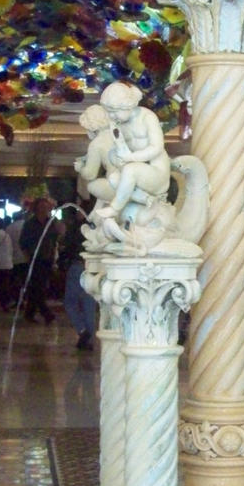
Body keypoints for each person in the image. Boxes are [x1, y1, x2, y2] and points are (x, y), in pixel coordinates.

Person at [93, 81, 171, 220]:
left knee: (130, 171)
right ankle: (146, 199)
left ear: (126, 106)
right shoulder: (118, 124)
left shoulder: (147, 117)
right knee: (113, 178)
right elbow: (118, 151)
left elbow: (157, 147)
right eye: (109, 113)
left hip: (157, 172)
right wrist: (115, 156)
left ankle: (114, 208)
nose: (112, 117)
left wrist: (131, 157)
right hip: (137, 171)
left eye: (114, 112)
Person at [59, 208, 97, 351]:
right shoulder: (97, 228)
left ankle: (83, 330)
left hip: (78, 266)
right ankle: (89, 337)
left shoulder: (77, 228)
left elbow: (67, 246)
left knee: (70, 302)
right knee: (89, 304)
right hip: (92, 268)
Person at [19, 196, 60, 324]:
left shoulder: (51, 222)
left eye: (46, 207)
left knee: (37, 288)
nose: (44, 209)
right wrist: (28, 256)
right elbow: (23, 242)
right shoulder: (30, 224)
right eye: (41, 207)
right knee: (38, 287)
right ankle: (45, 312)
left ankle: (29, 313)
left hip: (47, 258)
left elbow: (55, 240)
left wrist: (54, 257)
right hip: (34, 259)